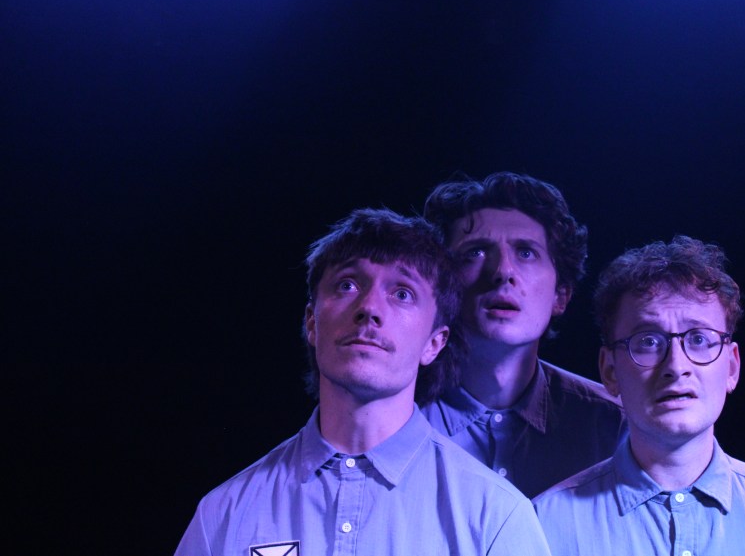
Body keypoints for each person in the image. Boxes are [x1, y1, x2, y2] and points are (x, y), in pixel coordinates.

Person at [174, 208, 552, 556]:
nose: (369, 308)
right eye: (347, 286)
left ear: (435, 343)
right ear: (311, 322)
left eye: (402, 293)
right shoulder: (223, 516)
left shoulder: (495, 517)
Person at [534, 235, 745, 555]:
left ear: (731, 366)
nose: (676, 365)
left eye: (699, 339)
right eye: (648, 341)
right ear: (609, 371)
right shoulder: (543, 525)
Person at [421, 172, 625, 498]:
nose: (502, 271)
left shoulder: (614, 427)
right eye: (475, 252)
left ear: (561, 294)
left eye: (526, 252)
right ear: (441, 285)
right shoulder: (396, 420)